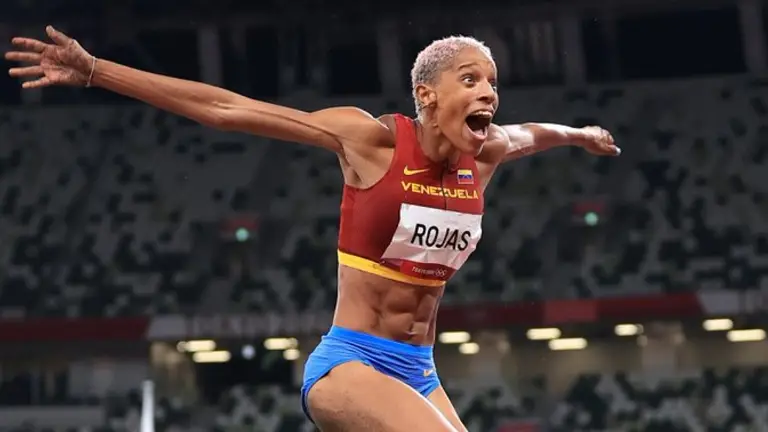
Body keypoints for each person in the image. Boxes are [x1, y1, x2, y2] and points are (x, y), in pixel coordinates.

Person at [6, 26, 619, 431]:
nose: (488, 92)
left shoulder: (484, 155)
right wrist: (97, 71)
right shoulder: (372, 141)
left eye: (492, 82)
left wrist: (581, 135)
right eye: (470, 79)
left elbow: (535, 133)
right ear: (427, 95)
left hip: (419, 370)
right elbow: (230, 110)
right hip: (349, 364)